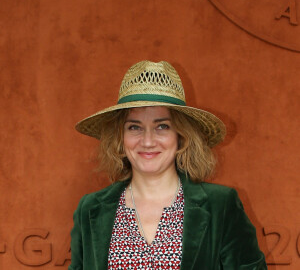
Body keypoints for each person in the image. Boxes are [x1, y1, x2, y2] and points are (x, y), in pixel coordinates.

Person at [69, 61, 267, 270]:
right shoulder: (90, 209)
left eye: (162, 126)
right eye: (135, 127)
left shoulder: (221, 206)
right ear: (120, 137)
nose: (147, 141)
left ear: (181, 135)